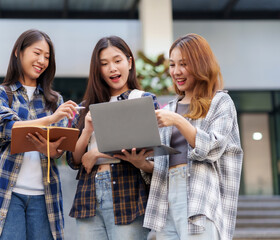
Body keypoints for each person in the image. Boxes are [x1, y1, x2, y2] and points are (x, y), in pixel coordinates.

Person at [0, 29, 78, 240]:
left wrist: (51, 149)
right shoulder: (0, 93)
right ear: (18, 53)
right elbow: (4, 128)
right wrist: (49, 120)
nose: (42, 60)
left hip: (44, 197)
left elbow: (58, 150)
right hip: (6, 193)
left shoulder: (53, 100)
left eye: (47, 57)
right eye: (37, 53)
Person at [143, 33, 243, 240]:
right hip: (166, 200)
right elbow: (161, 164)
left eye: (184, 64)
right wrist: (141, 163)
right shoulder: (170, 108)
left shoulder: (220, 102)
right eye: (172, 65)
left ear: (200, 65)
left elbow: (212, 148)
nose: (176, 71)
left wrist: (179, 120)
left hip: (200, 198)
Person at [66, 36, 159, 240]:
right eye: (104, 64)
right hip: (88, 196)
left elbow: (151, 152)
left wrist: (97, 153)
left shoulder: (143, 100)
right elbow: (72, 159)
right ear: (97, 70)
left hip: (128, 195)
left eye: (117, 61)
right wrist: (87, 131)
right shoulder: (85, 107)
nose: (112, 69)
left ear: (129, 62)